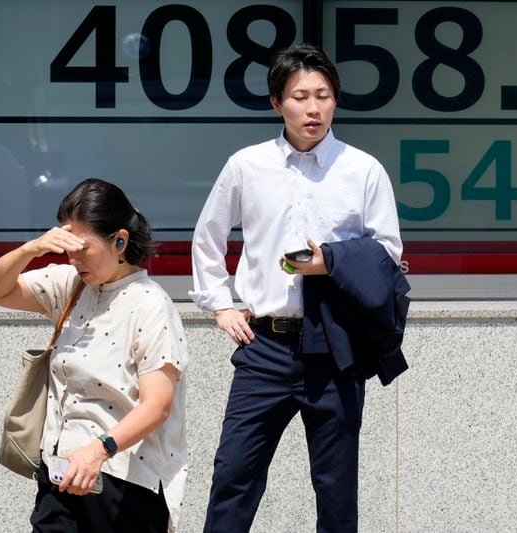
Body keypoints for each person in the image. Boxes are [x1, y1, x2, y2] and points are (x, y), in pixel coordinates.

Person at [190, 44, 406, 532]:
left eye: (324, 96)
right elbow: (209, 235)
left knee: (335, 488)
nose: (314, 108)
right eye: (301, 96)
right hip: (264, 343)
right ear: (276, 103)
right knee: (234, 475)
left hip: (335, 345)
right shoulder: (247, 165)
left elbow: (389, 253)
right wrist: (219, 304)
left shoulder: (362, 169)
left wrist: (331, 262)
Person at [0, 178, 188, 533]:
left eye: (82, 248)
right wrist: (32, 249)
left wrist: (99, 450)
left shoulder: (150, 304)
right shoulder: (71, 285)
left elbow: (157, 405)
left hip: (124, 482)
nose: (72, 259)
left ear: (120, 241)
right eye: (67, 248)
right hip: (60, 474)